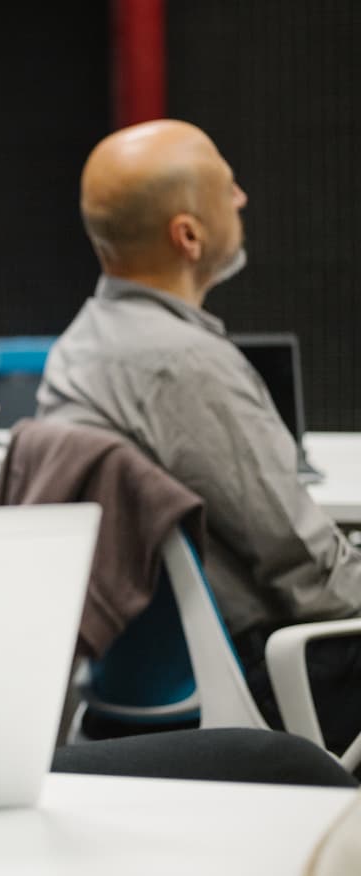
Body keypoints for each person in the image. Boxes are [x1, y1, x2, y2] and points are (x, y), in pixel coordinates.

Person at [36, 119, 361, 755]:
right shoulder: (185, 365)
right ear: (187, 235)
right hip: (265, 680)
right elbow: (310, 577)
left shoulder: (78, 347)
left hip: (146, 682)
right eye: (226, 184)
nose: (241, 197)